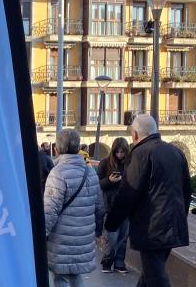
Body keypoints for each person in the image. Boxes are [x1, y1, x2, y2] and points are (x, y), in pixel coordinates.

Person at [105, 114, 191, 287]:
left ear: (135, 134)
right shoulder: (176, 152)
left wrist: (111, 223)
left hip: (151, 228)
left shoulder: (140, 154)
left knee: (156, 278)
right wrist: (180, 216)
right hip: (173, 224)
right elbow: (186, 190)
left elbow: (128, 193)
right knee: (151, 274)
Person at [44, 129, 105, 287]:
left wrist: (41, 235)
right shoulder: (90, 172)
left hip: (61, 239)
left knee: (61, 277)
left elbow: (50, 211)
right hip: (84, 237)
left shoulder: (57, 173)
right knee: (75, 275)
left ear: (58, 148)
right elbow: (100, 207)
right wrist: (98, 232)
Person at [97, 137, 130, 273]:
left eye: (122, 152)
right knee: (111, 237)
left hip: (126, 205)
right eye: (117, 152)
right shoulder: (105, 163)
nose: (120, 155)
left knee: (123, 237)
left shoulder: (130, 163)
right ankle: (107, 261)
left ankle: (119, 263)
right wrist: (109, 180)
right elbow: (98, 183)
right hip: (110, 206)